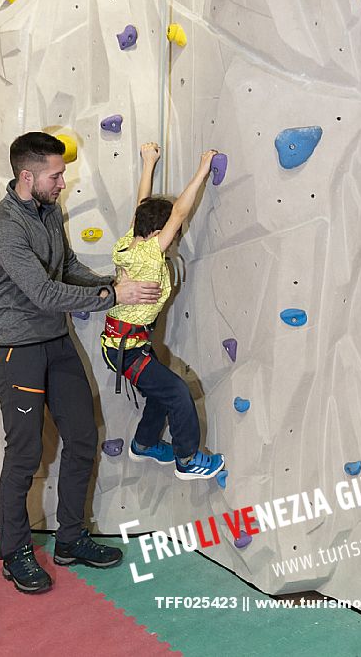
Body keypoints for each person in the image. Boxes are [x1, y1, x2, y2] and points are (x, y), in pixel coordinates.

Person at [0, 132, 161, 594]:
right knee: (24, 454)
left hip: (56, 342)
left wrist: (110, 282)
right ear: (28, 176)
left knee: (82, 437)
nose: (64, 182)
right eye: (56, 175)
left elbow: (67, 270)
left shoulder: (48, 211)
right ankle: (15, 552)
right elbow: (43, 293)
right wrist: (112, 295)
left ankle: (71, 539)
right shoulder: (2, 226)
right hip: (16, 349)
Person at [101, 142, 225, 481]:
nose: (174, 242)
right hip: (127, 350)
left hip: (124, 345)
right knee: (178, 393)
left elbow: (142, 206)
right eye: (172, 237)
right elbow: (179, 213)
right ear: (158, 235)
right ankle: (187, 459)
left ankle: (143, 443)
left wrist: (148, 163)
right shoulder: (149, 255)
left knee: (162, 390)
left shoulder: (131, 241)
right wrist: (202, 169)